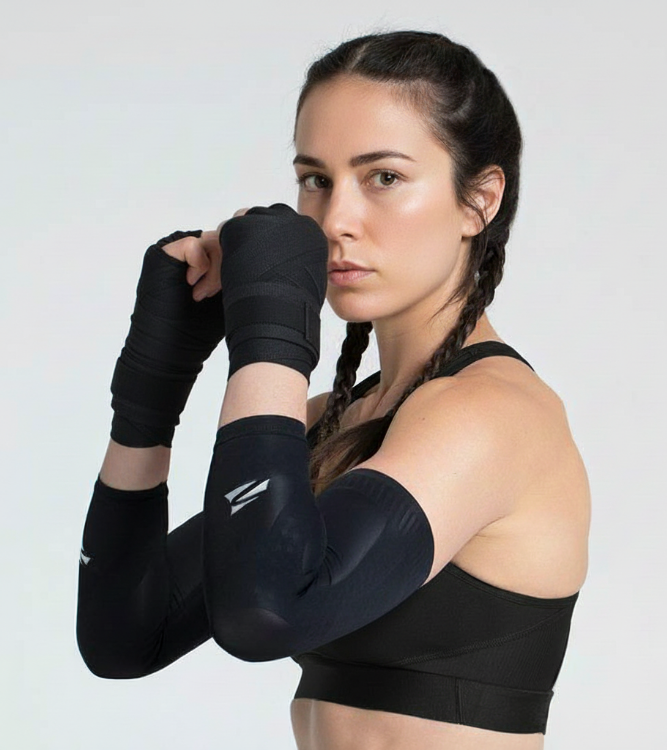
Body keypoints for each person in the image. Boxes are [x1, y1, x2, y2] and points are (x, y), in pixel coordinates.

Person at [77, 29, 591, 750]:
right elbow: (125, 635)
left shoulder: (492, 413)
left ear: (479, 200)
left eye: (383, 177)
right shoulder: (336, 421)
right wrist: (148, 398)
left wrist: (272, 334)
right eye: (316, 180)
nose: (335, 222)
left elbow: (268, 614)